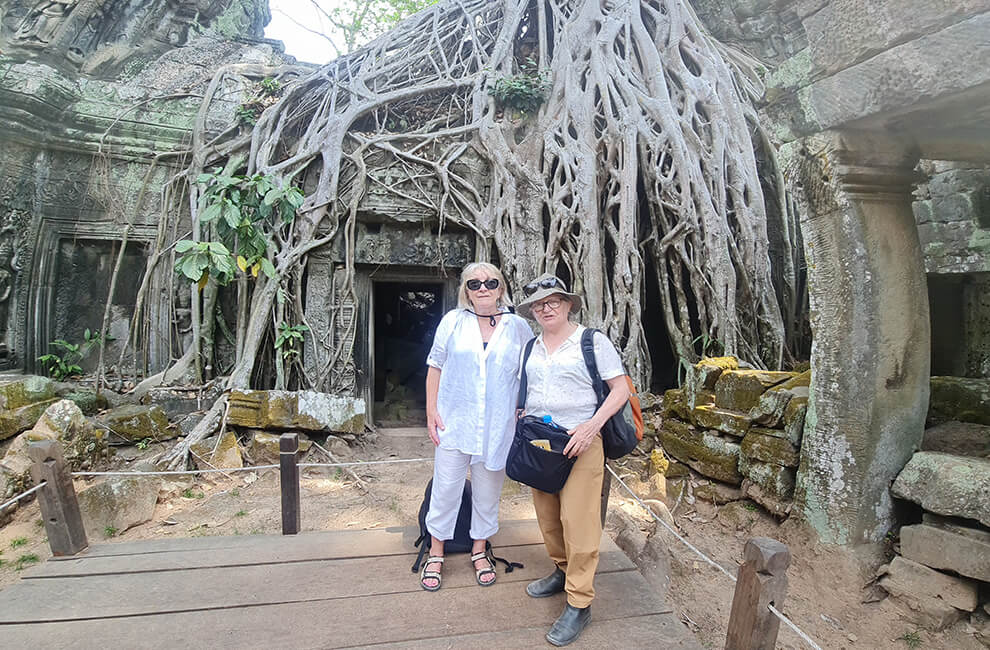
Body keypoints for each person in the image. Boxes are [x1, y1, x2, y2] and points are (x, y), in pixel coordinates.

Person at [516, 273, 630, 647]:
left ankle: (580, 602)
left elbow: (621, 389)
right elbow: (526, 389)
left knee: (577, 521)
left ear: (567, 304)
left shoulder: (590, 341)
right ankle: (562, 571)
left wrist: (591, 426)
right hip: (541, 442)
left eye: (553, 301)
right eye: (539, 304)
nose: (546, 308)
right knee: (548, 516)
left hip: (581, 440)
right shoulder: (530, 347)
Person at [420, 262, 534, 591]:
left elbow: (530, 371)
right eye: (474, 283)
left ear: (501, 288)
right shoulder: (453, 322)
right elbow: (435, 365)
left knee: (487, 494)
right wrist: (431, 411)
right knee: (446, 489)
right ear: (465, 291)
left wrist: (524, 411)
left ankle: (480, 550)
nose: (482, 288)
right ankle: (436, 551)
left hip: (498, 426)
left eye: (490, 282)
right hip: (455, 421)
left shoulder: (517, 327)